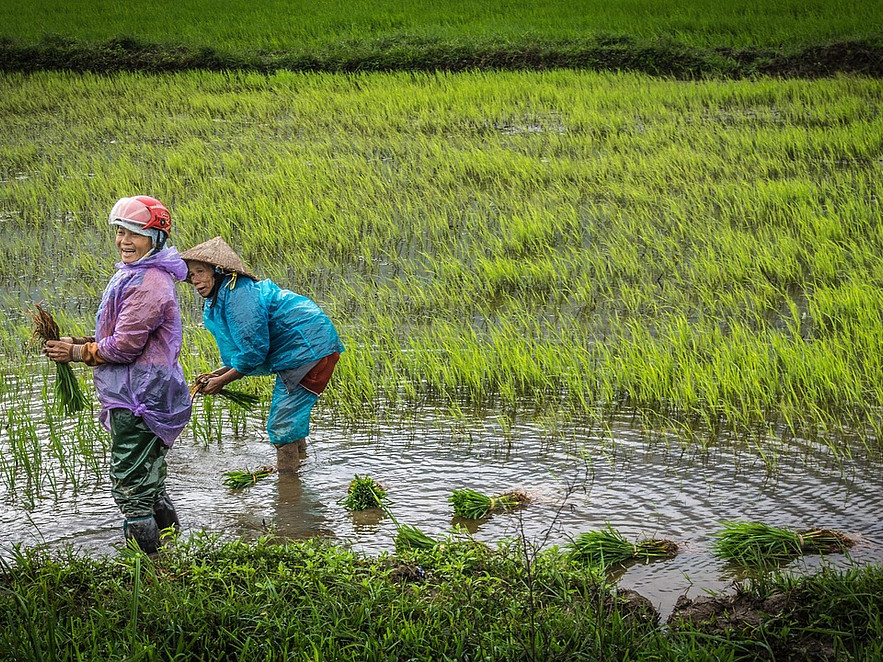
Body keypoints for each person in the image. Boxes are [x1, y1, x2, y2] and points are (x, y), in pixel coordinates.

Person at [44, 195, 192, 555]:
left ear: (155, 238)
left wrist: (77, 352)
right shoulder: (137, 274)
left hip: (140, 397)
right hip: (147, 392)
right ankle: (173, 554)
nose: (124, 240)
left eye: (135, 233)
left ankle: (147, 568)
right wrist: (79, 342)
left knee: (131, 487)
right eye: (120, 231)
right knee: (150, 482)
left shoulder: (149, 283)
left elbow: (124, 347)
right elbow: (120, 336)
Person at [181, 236, 343, 473]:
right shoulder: (223, 295)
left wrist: (220, 382)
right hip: (303, 348)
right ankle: (301, 467)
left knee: (282, 423)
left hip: (308, 349)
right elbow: (246, 351)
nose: (195, 280)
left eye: (200, 272)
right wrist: (215, 374)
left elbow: (254, 352)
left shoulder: (238, 294)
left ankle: (288, 489)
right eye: (191, 274)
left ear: (217, 271)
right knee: (291, 417)